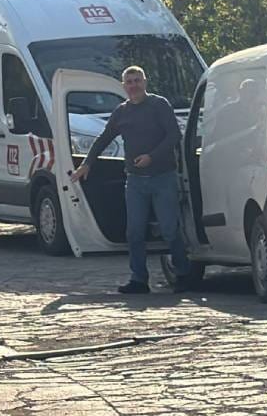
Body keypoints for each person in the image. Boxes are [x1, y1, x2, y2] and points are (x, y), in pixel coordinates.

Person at [72, 66, 191, 294]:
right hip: (135, 181)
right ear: (123, 86)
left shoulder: (159, 105)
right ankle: (138, 279)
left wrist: (151, 157)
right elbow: (104, 138)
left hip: (163, 177)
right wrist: (87, 164)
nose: (133, 85)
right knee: (134, 232)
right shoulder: (121, 112)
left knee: (169, 229)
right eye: (129, 82)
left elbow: (174, 135)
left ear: (145, 82)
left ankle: (184, 273)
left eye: (137, 80)